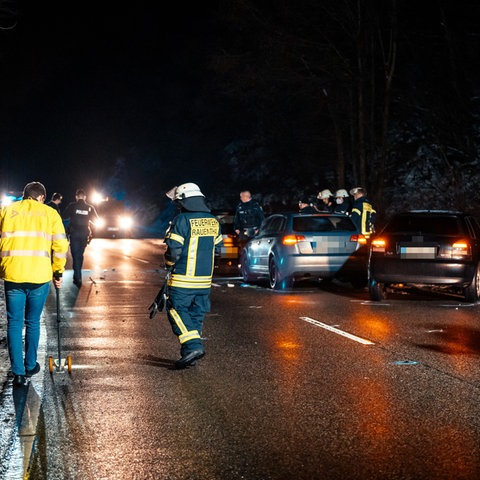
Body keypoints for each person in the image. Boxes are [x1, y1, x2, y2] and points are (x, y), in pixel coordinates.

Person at [0, 181, 69, 387]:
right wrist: (58, 271)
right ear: (41, 197)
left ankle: (18, 373)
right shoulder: (50, 214)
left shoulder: (7, 211)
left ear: (24, 195)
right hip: (39, 276)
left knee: (14, 322)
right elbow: (60, 245)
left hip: (13, 274)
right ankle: (30, 365)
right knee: (32, 321)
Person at [163, 182, 223, 369]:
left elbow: (173, 251)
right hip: (204, 281)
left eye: (179, 202)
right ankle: (190, 354)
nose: (178, 206)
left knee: (176, 310)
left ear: (185, 201)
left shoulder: (182, 220)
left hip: (182, 279)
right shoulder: (213, 221)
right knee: (195, 316)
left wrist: (169, 266)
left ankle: (194, 346)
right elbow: (219, 250)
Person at [62, 189, 99, 287]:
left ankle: (77, 276)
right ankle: (77, 276)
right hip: (84, 234)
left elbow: (63, 216)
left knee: (75, 255)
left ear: (76, 197)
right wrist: (92, 233)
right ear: (85, 197)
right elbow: (97, 221)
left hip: (74, 234)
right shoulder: (90, 207)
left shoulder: (72, 206)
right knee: (80, 254)